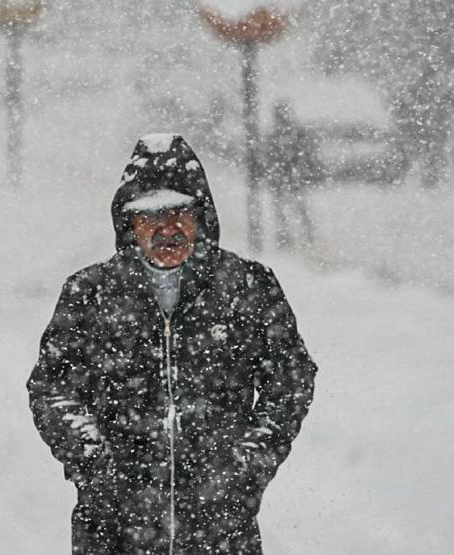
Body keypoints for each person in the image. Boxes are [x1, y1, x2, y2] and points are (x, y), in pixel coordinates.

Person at [27, 134, 317, 554]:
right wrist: (95, 465)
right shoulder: (90, 294)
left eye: (180, 211)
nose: (168, 227)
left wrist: (246, 469)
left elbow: (291, 381)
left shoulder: (247, 287)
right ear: (129, 223)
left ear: (202, 215)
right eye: (150, 215)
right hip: (114, 534)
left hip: (221, 533)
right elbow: (52, 388)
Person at [265, 101, 322, 250]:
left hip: (287, 177)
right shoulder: (285, 135)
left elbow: (305, 154)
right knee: (288, 209)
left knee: (292, 209)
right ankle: (293, 237)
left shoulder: (288, 135)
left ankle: (298, 237)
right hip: (286, 177)